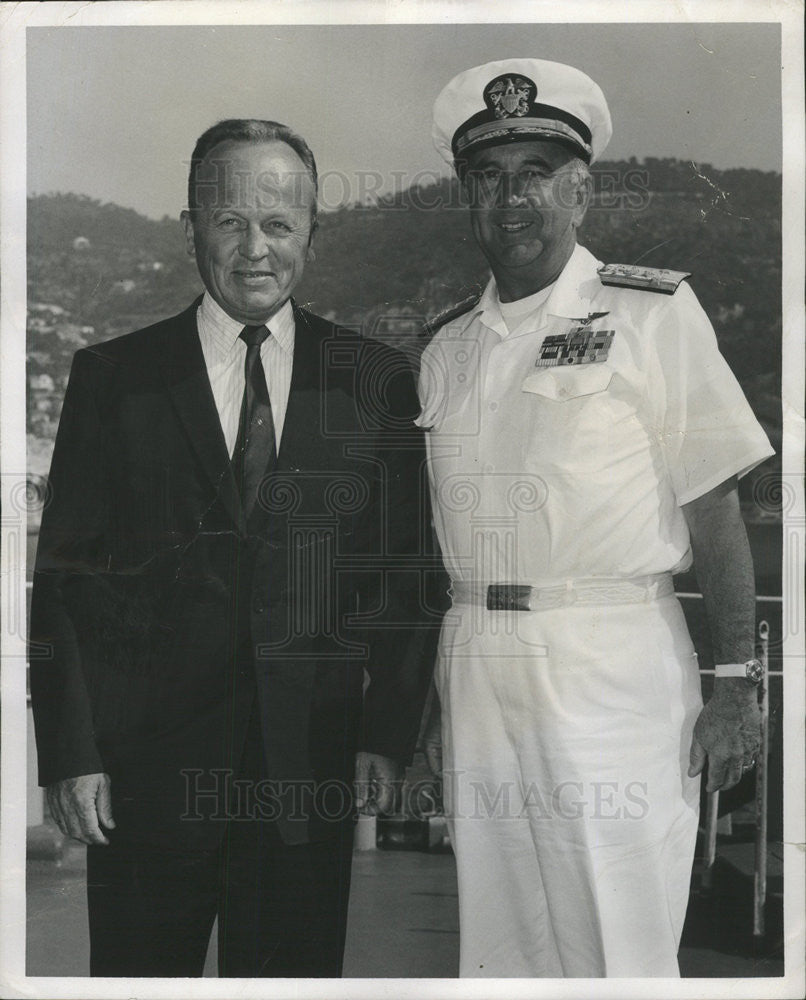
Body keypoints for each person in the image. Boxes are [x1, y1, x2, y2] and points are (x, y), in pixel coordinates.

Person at [30, 119, 438, 978]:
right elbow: (64, 586)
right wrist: (70, 757)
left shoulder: (374, 380)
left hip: (307, 783)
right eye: (229, 221)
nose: (256, 249)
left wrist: (387, 734)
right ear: (190, 229)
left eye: (280, 224)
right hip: (145, 790)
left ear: (313, 236)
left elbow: (402, 576)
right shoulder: (115, 378)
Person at [418, 59, 774, 977]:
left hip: (608, 660)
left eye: (535, 173)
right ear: (468, 196)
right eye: (489, 177)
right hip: (475, 664)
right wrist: (428, 695)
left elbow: (715, 502)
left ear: (582, 188)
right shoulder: (448, 346)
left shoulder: (652, 313)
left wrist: (735, 684)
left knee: (618, 937)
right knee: (498, 943)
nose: (512, 198)